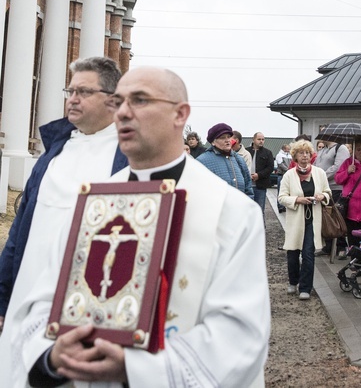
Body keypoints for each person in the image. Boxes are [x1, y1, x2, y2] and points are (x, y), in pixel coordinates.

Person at [10, 67, 270, 386]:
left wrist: (135, 369)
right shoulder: (93, 202)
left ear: (180, 114)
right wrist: (53, 355)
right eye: (118, 102)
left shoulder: (231, 212)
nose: (123, 112)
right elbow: (43, 300)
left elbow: (238, 333)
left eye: (140, 100)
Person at [0, 57, 128, 376]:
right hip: (28, 285)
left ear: (113, 99)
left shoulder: (128, 157)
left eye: (83, 91)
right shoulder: (54, 152)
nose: (72, 99)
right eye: (70, 90)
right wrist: (1, 296)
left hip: (87, 299)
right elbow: (19, 230)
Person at [278, 139, 332, 300]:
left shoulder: (319, 173)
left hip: (313, 220)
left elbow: (328, 193)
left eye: (307, 153)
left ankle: (305, 287)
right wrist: (297, 200)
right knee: (293, 253)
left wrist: (322, 196)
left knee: (308, 253)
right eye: (301, 153)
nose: (304, 156)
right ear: (295, 156)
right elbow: (281, 197)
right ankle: (293, 282)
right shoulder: (289, 175)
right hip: (295, 220)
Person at [197, 123, 254, 198]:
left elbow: (248, 188)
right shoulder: (202, 161)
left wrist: (247, 207)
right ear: (213, 142)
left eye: (229, 137)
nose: (227, 140)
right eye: (222, 137)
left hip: (239, 208)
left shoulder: (239, 159)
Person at [315, 140, 350, 258]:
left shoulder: (340, 148)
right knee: (326, 218)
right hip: (322, 188)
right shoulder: (323, 149)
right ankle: (328, 246)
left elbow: (338, 167)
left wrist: (322, 176)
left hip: (335, 188)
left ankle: (341, 246)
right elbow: (316, 165)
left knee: (336, 217)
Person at [249, 132, 275, 217]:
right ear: (253, 139)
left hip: (260, 186)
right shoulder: (246, 151)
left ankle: (261, 229)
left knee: (259, 210)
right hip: (247, 186)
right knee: (248, 211)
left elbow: (270, 168)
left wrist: (259, 175)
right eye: (259, 139)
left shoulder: (268, 153)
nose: (261, 141)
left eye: (263, 139)